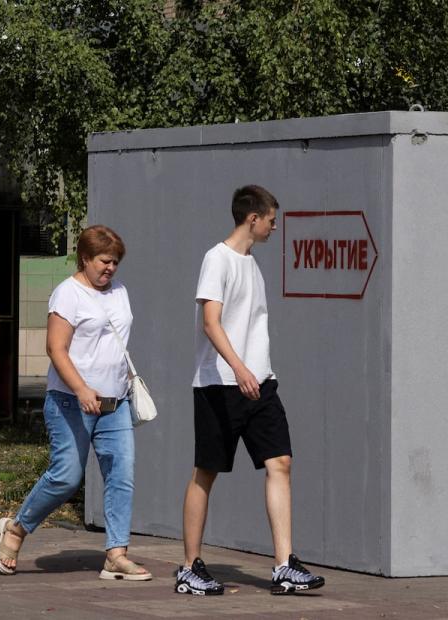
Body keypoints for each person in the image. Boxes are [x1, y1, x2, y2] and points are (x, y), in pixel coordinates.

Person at [175, 185, 324, 596]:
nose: (275, 227)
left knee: (281, 462)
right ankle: (190, 567)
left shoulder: (253, 264)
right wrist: (238, 368)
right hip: (219, 385)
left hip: (262, 381)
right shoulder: (216, 259)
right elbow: (211, 322)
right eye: (272, 220)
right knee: (206, 472)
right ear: (252, 218)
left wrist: (255, 371)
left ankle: (284, 565)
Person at [0, 225, 151, 581]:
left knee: (121, 475)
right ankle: (16, 529)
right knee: (66, 477)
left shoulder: (120, 291)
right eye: (104, 261)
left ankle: (116, 554)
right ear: (85, 258)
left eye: (115, 263)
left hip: (116, 403)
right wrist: (81, 388)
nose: (110, 269)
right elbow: (55, 349)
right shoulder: (68, 294)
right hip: (70, 401)